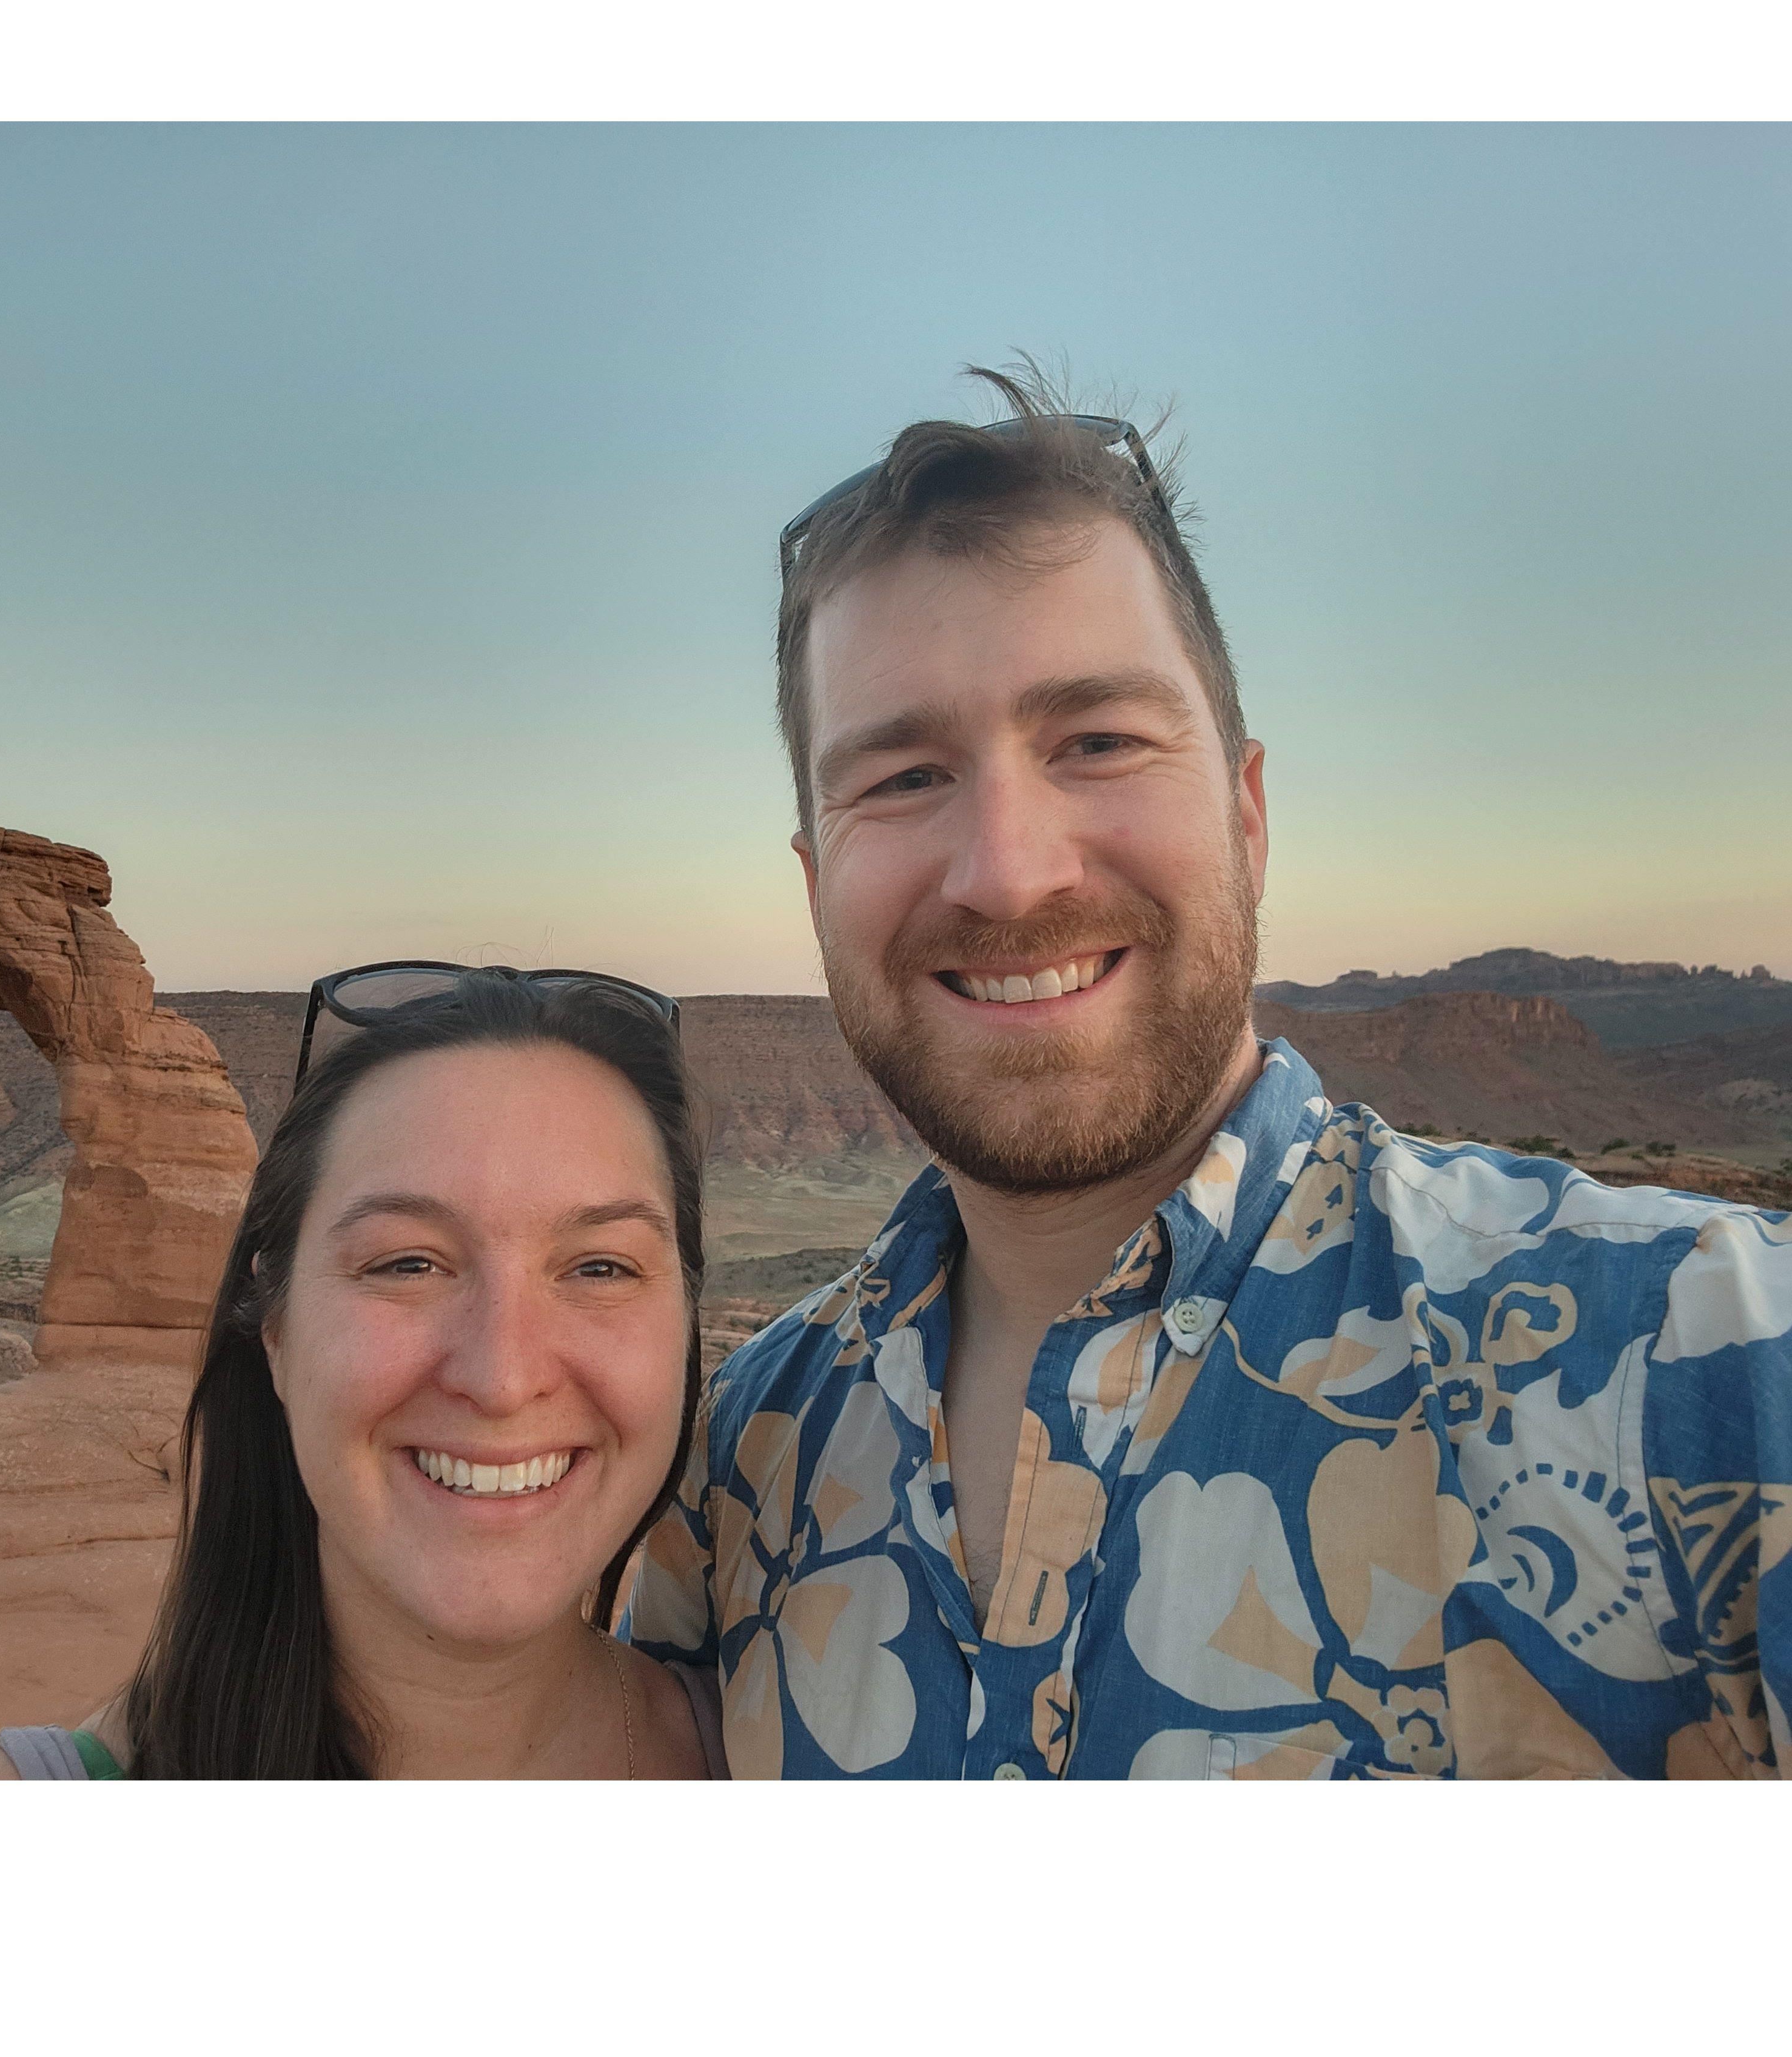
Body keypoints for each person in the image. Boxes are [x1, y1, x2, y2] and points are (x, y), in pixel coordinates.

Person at [622, 362, 1790, 1779]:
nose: (1006, 871)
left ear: (1246, 812)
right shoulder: (740, 1471)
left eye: (1098, 741)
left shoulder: (1703, 1367)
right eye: (902, 776)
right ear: (817, 881)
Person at [0, 967, 722, 1779]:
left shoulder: (788, 1756)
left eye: (600, 1269)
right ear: (274, 1327)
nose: (502, 1378)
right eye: (409, 1264)